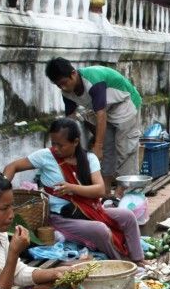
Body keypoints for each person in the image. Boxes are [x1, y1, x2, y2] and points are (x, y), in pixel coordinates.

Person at [2, 118, 145, 264]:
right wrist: (2, 187)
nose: (56, 148)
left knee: (127, 216)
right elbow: (12, 166)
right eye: (53, 143)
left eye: (61, 145)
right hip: (62, 218)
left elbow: (100, 190)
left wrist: (71, 188)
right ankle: (121, 263)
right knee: (100, 230)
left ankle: (138, 258)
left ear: (75, 142)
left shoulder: (90, 159)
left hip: (91, 210)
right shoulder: (45, 156)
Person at [45, 57, 143, 196]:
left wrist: (97, 146)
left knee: (125, 148)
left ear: (73, 74)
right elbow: (69, 120)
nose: (63, 87)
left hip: (125, 104)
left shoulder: (93, 81)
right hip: (106, 109)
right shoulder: (66, 92)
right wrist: (67, 145)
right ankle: (106, 190)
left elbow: (101, 114)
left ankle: (125, 191)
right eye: (58, 85)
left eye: (64, 83)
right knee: (108, 150)